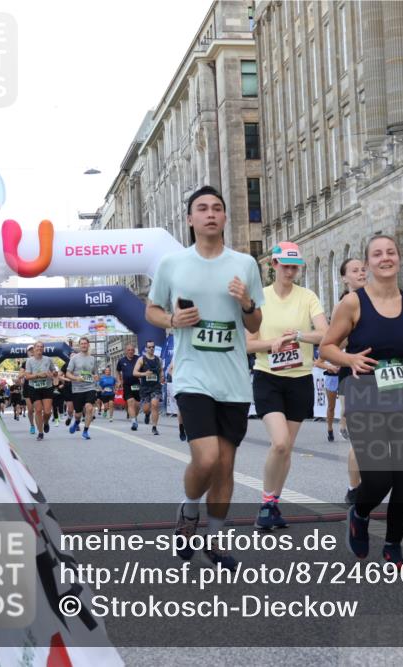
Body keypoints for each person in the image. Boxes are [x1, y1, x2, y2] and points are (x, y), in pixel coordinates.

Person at [146, 185, 264, 571]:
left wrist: (246, 302)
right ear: (190, 219)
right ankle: (189, 510)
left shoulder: (245, 263)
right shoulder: (172, 264)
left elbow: (255, 322)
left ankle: (214, 539)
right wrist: (171, 320)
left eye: (217, 208)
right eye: (202, 208)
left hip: (232, 378)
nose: (210, 213)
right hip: (193, 375)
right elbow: (152, 310)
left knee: (226, 466)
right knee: (208, 458)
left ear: (225, 217)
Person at [321, 235, 403, 567]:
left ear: (399, 259)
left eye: (391, 252)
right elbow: (327, 347)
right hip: (365, 394)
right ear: (366, 265)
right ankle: (360, 512)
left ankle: (393, 544)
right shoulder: (353, 303)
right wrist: (350, 359)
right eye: (378, 254)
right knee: (380, 477)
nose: (386, 258)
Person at [246, 242, 328, 531]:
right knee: (279, 442)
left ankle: (273, 503)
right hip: (268, 376)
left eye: (295, 266)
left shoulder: (307, 297)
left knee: (286, 448)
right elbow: (247, 343)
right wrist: (272, 344)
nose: (291, 271)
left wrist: (301, 336)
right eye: (286, 266)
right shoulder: (261, 298)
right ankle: (266, 503)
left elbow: (325, 335)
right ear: (274, 265)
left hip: (300, 379)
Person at [328, 257, 368, 505]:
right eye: (355, 270)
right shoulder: (344, 305)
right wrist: (348, 353)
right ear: (344, 277)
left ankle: (371, 484)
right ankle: (354, 488)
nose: (361, 273)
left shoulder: (381, 299)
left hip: (381, 375)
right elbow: (332, 344)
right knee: (362, 439)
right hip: (354, 375)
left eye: (363, 269)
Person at [65, 336, 98, 440]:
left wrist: (96, 377)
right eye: (82, 344)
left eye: (85, 343)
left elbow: (95, 374)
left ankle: (85, 431)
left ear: (88, 345)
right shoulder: (74, 358)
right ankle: (77, 422)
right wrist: (76, 378)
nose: (84, 345)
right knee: (78, 414)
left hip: (90, 387)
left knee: (89, 408)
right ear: (80, 346)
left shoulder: (93, 359)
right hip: (77, 389)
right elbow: (67, 373)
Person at [22, 342, 55, 441]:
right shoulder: (29, 361)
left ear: (43, 349)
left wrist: (53, 374)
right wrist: (38, 375)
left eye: (41, 347)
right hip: (34, 388)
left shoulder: (48, 359)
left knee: (48, 412)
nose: (39, 348)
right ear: (34, 349)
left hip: (47, 387)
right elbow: (27, 376)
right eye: (37, 347)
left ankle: (46, 422)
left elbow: (54, 372)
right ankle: (40, 432)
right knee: (38, 410)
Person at [133, 342, 164, 436]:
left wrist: (162, 376)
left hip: (156, 387)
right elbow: (134, 372)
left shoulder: (159, 359)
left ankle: (154, 427)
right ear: (146, 348)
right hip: (145, 388)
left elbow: (161, 370)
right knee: (146, 409)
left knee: (155, 404)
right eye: (149, 347)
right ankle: (147, 414)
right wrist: (144, 374)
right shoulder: (141, 359)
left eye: (153, 347)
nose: (151, 349)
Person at [116, 344, 141, 430]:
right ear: (126, 351)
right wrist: (119, 381)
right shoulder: (121, 361)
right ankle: (133, 421)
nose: (130, 351)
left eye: (132, 350)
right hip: (127, 384)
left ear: (134, 351)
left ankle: (134, 416)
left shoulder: (138, 359)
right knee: (130, 401)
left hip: (137, 384)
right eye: (129, 350)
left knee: (137, 405)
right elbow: (118, 371)